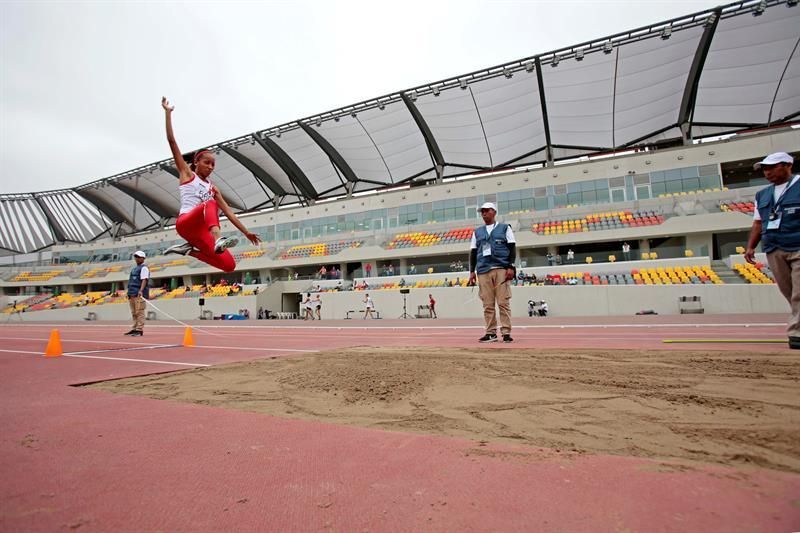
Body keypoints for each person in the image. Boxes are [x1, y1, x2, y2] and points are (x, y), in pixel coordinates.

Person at [160, 97, 260, 271]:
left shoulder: (213, 188)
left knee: (229, 266)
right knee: (210, 202)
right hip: (186, 223)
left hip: (201, 232)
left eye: (213, 164)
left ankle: (189, 251)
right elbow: (172, 142)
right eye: (207, 162)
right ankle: (218, 240)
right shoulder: (187, 174)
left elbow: (229, 212)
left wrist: (246, 232)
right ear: (197, 162)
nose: (211, 167)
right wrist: (168, 114)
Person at [745, 152, 800, 350]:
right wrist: (751, 246)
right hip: (774, 246)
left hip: (797, 244)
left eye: (771, 167)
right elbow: (758, 222)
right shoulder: (763, 195)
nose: (767, 172)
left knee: (799, 293)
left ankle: (796, 334)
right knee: (789, 292)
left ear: (787, 165)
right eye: (764, 169)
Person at [468, 202, 516, 342]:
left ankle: (506, 332)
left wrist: (511, 266)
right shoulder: (477, 232)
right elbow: (473, 252)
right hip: (483, 270)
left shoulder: (505, 228)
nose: (483, 213)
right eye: (481, 211)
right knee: (487, 304)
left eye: (486, 211)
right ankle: (491, 332)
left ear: (494, 212)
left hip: (501, 268)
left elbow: (512, 247)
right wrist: (472, 271)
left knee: (503, 302)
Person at [124, 251, 150, 337]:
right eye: (136, 257)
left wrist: (141, 290)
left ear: (143, 258)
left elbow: (144, 280)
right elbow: (131, 281)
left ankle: (139, 329)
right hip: (132, 293)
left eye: (139, 257)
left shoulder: (144, 268)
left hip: (139, 293)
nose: (137, 258)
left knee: (139, 312)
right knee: (134, 312)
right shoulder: (134, 269)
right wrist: (128, 292)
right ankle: (134, 328)